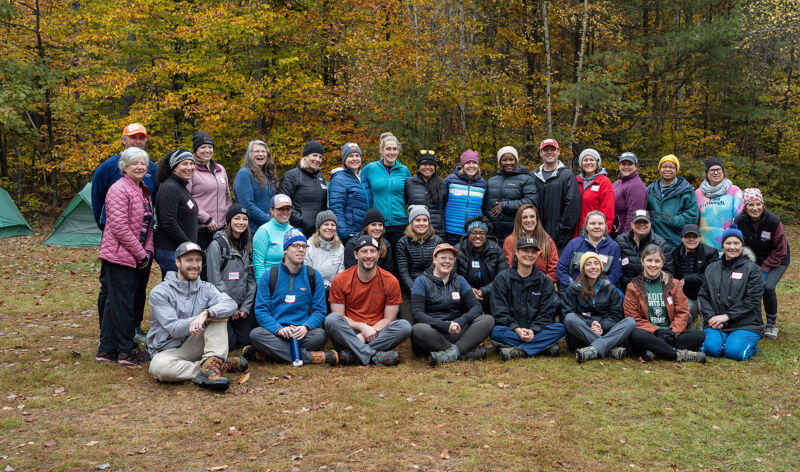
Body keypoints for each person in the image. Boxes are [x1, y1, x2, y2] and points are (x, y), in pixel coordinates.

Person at [90, 123, 158, 341]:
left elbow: (153, 202)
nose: (138, 141)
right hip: (118, 241)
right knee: (110, 288)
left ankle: (133, 328)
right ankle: (107, 333)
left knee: (138, 286)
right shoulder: (108, 168)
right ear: (123, 140)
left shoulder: (151, 169)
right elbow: (97, 200)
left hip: (143, 240)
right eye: (133, 137)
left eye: (141, 138)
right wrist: (107, 229)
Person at [147, 242, 245, 392]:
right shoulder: (160, 293)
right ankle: (214, 367)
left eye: (198, 260)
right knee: (159, 368)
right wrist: (203, 319)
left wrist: (206, 314)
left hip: (196, 343)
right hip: (167, 350)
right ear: (177, 262)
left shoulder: (207, 288)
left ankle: (211, 365)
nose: (194, 265)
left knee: (217, 315)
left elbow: (231, 304)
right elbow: (174, 328)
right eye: (189, 260)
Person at [246, 229, 338, 365]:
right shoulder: (269, 275)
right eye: (296, 246)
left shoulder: (313, 275)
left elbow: (320, 310)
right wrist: (278, 329)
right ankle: (311, 357)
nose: (301, 250)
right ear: (285, 249)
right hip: (276, 333)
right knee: (256, 334)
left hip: (302, 333)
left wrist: (306, 327)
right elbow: (261, 310)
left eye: (304, 246)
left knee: (320, 335)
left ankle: (268, 353)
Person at [325, 235, 413, 366]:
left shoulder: (391, 281)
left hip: (377, 332)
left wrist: (367, 333)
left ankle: (351, 355)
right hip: (351, 332)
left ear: (378, 254)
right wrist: (362, 328)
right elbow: (339, 316)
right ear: (356, 255)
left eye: (373, 251)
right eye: (364, 251)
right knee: (331, 319)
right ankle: (372, 356)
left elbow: (388, 319)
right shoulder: (340, 279)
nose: (369, 255)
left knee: (404, 326)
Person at [411, 243, 494, 365]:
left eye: (451, 259)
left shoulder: (460, 280)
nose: (447, 261)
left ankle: (452, 353)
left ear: (454, 262)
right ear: (434, 259)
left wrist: (460, 322)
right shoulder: (421, 281)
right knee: (418, 329)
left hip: (456, 330)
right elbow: (417, 313)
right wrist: (444, 326)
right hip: (433, 332)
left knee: (487, 320)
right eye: (443, 258)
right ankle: (463, 352)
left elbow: (476, 307)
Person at [624, 244, 706, 362]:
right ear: (642, 261)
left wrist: (673, 331)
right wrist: (657, 331)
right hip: (648, 333)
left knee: (698, 335)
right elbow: (633, 317)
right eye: (649, 260)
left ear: (662, 263)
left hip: (670, 333)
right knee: (637, 336)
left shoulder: (673, 284)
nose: (653, 265)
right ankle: (677, 354)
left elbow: (682, 312)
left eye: (657, 261)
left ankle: (654, 351)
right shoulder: (633, 287)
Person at [489, 236, 566, 361]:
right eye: (525, 251)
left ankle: (520, 351)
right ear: (517, 252)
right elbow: (499, 312)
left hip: (536, 331)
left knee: (560, 329)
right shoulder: (502, 279)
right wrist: (517, 329)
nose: (529, 255)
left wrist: (533, 330)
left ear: (537, 255)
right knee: (496, 332)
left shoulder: (544, 280)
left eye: (533, 252)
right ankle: (542, 347)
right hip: (512, 330)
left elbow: (547, 313)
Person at [699, 225, 765, 361]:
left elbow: (753, 300)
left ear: (742, 246)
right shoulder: (711, 268)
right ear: (722, 246)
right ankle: (725, 340)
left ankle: (745, 344)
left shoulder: (753, 270)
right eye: (728, 243)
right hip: (716, 322)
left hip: (746, 324)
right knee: (712, 350)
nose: (732, 247)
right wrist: (711, 318)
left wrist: (727, 316)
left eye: (736, 243)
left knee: (735, 353)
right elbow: (703, 296)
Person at [734, 188, 790, 339]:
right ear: (745, 206)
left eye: (758, 204)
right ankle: (750, 320)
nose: (755, 208)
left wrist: (764, 269)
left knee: (767, 287)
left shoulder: (773, 221)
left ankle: (771, 324)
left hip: (777, 259)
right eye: (751, 205)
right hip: (752, 259)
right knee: (746, 286)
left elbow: (780, 250)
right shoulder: (739, 221)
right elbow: (735, 242)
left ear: (763, 205)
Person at [562, 252, 635, 363]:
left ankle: (593, 349)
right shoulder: (573, 289)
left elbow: (617, 316)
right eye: (588, 264)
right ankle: (609, 349)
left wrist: (601, 325)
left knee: (630, 322)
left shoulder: (610, 289)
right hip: (582, 335)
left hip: (605, 331)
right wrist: (590, 324)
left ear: (601, 267)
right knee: (570, 318)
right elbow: (567, 313)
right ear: (583, 269)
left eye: (596, 263)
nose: (593, 267)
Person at [205, 204, 257, 351]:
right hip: (221, 305)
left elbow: (251, 280)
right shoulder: (217, 245)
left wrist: (245, 307)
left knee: (244, 341)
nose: (241, 222)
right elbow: (214, 280)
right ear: (229, 221)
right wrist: (230, 307)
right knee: (230, 345)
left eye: (245, 219)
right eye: (237, 218)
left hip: (241, 308)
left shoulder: (247, 246)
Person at [361, 132, 412, 249]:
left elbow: (410, 195)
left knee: (398, 257)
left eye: (395, 149)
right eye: (388, 149)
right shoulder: (370, 169)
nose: (392, 152)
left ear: (398, 151)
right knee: (379, 256)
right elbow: (358, 185)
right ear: (381, 150)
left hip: (400, 224)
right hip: (377, 225)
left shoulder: (404, 171)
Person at [530, 138, 581, 251]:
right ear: (541, 153)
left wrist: (559, 230)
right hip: (535, 238)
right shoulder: (533, 176)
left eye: (552, 149)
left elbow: (573, 208)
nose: (549, 152)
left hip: (560, 240)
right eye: (546, 150)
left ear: (558, 152)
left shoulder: (567, 176)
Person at [396, 205, 444, 322]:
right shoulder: (403, 242)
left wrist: (430, 289)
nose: (421, 223)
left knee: (433, 321)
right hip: (409, 291)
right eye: (417, 220)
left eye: (425, 220)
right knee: (409, 325)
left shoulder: (438, 241)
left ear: (429, 222)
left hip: (432, 288)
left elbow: (440, 269)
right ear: (411, 223)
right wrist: (416, 289)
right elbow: (403, 272)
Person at [153, 149, 198, 275]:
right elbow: (169, 222)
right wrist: (188, 244)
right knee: (175, 285)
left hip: (180, 249)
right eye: (184, 164)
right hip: (170, 249)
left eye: (191, 163)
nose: (189, 167)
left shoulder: (180, 185)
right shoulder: (170, 188)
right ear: (174, 167)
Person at [186, 132, 232, 252]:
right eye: (203, 147)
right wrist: (206, 219)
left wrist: (227, 215)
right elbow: (187, 199)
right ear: (195, 150)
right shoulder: (190, 170)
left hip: (221, 229)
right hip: (200, 229)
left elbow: (227, 196)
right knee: (202, 261)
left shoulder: (220, 169)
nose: (207, 150)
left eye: (210, 147)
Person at [454, 216, 508, 313]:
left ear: (486, 235)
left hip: (490, 294)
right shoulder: (458, 250)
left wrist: (482, 291)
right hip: (464, 294)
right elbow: (453, 276)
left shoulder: (496, 250)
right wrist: (470, 290)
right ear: (468, 234)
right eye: (474, 232)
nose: (478, 236)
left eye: (482, 233)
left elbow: (502, 277)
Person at [483, 146, 538, 240]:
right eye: (504, 160)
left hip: (516, 235)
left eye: (511, 159)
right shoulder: (492, 181)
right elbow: (484, 205)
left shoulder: (526, 179)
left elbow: (532, 202)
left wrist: (505, 205)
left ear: (516, 161)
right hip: (493, 236)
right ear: (500, 162)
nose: (508, 163)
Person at [557, 211, 623, 290]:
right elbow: (561, 269)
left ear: (605, 226)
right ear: (586, 226)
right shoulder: (574, 244)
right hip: (575, 291)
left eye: (600, 223)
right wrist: (573, 287)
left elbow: (615, 274)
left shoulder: (614, 247)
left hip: (603, 292)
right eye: (592, 223)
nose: (597, 226)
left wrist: (597, 289)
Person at [670, 224, 718, 328]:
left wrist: (687, 279)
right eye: (687, 237)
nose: (691, 239)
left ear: (699, 238)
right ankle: (688, 329)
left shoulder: (711, 253)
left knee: (706, 316)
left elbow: (712, 277)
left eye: (694, 237)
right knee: (683, 314)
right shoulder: (675, 253)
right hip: (685, 294)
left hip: (706, 294)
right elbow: (672, 275)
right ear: (682, 238)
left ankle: (704, 331)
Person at [647, 154, 699, 247]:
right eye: (664, 166)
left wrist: (670, 220)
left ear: (676, 170)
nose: (667, 169)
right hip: (653, 242)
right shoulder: (650, 190)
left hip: (675, 242)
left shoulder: (687, 191)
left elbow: (692, 216)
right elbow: (643, 210)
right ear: (660, 169)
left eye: (671, 167)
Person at [278, 141, 328, 237]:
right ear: (305, 156)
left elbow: (323, 205)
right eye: (314, 155)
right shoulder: (291, 176)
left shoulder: (320, 178)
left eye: (320, 157)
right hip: (298, 232)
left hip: (318, 233)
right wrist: (301, 220)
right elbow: (283, 203)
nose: (317, 159)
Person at [615, 209, 673, 289]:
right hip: (625, 289)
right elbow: (615, 268)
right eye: (637, 222)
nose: (641, 225)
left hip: (651, 289)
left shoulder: (661, 244)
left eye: (645, 222)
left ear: (650, 224)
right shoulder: (620, 241)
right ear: (631, 224)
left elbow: (668, 272)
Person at [502, 204, 559, 284]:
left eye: (532, 216)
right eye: (524, 217)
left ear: (537, 219)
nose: (529, 220)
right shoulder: (510, 241)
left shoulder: (547, 239)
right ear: (519, 220)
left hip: (542, 285)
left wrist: (540, 284)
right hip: (518, 285)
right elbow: (510, 269)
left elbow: (554, 270)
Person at [696, 158, 743, 252]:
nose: (716, 172)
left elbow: (740, 216)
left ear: (723, 172)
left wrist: (732, 236)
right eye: (712, 170)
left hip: (728, 244)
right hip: (704, 244)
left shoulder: (734, 191)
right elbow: (695, 218)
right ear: (707, 173)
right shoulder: (698, 193)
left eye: (718, 169)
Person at [233, 140, 278, 234]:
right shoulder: (245, 174)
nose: (260, 154)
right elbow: (247, 205)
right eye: (256, 151)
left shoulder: (269, 176)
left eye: (263, 151)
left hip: (268, 229)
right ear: (250, 155)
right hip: (253, 229)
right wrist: (270, 222)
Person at [329, 142, 371, 243]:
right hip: (350, 234)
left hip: (364, 232)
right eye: (350, 156)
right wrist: (344, 234)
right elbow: (336, 208)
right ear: (344, 159)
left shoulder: (363, 179)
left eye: (357, 155)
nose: (354, 159)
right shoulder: (339, 179)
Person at [443, 150, 488, 244]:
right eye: (468, 163)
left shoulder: (483, 184)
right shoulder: (450, 180)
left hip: (472, 232)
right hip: (451, 231)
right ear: (463, 165)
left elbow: (484, 208)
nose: (471, 166)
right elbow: (442, 203)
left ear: (478, 165)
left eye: (474, 163)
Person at [252, 194, 294, 282]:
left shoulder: (292, 230)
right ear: (272, 210)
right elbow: (258, 264)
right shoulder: (264, 231)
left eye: (287, 209)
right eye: (280, 209)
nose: (285, 212)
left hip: (290, 281)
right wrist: (263, 286)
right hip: (270, 282)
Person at [405, 150, 446, 237]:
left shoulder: (442, 183)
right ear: (419, 166)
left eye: (431, 164)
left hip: (437, 231)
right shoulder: (410, 183)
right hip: (415, 232)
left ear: (435, 167)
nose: (427, 167)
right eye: (424, 164)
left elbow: (445, 205)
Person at [575, 148, 614, 237]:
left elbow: (608, 212)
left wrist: (603, 234)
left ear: (597, 163)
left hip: (594, 233)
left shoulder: (604, 182)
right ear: (581, 163)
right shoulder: (575, 180)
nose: (588, 162)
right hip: (574, 233)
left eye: (592, 160)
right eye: (585, 160)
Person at [342, 208, 394, 273]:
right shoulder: (353, 244)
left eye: (380, 225)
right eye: (373, 225)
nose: (377, 228)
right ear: (366, 227)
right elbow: (350, 271)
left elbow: (388, 271)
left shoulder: (385, 244)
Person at [304, 210, 345, 289]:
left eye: (332, 225)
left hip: (334, 289)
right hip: (314, 288)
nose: (329, 228)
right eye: (326, 224)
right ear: (319, 227)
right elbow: (306, 272)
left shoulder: (340, 247)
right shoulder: (308, 246)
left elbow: (341, 272)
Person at [611, 152, 647, 238]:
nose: (626, 167)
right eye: (623, 164)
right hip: (613, 232)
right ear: (619, 166)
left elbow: (633, 216)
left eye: (630, 164)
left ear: (636, 166)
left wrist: (625, 238)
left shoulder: (636, 186)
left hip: (623, 235)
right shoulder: (617, 183)